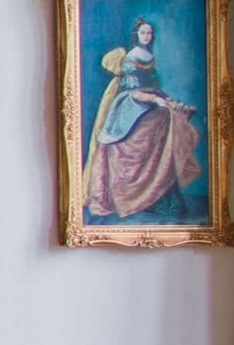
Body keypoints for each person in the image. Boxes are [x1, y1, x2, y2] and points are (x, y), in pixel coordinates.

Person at [85, 13, 204, 221]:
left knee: (167, 120)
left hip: (147, 101)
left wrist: (166, 100)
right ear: (137, 35)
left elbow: (152, 86)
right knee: (155, 125)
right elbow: (134, 91)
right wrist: (155, 100)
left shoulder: (149, 56)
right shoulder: (132, 56)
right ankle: (135, 193)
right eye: (143, 32)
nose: (147, 36)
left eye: (150, 32)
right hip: (131, 105)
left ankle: (159, 193)